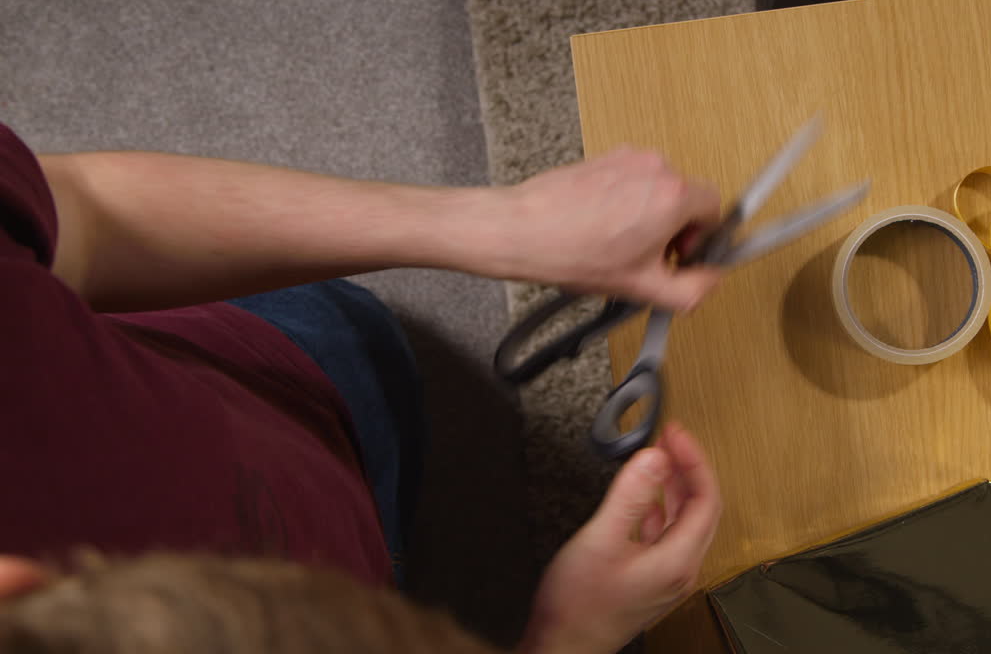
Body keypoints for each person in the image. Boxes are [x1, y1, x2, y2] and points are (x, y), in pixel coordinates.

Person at [0, 120, 725, 653]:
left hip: (279, 373)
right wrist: (570, 637)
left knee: (359, 335)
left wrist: (504, 224)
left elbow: (83, 206)